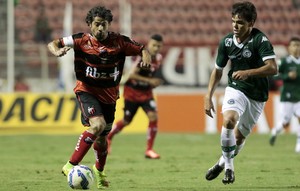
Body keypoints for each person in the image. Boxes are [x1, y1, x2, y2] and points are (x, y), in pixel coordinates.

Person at [47, 6, 151, 189]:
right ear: (90, 25)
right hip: (86, 91)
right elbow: (53, 43)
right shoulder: (80, 40)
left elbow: (143, 49)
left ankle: (99, 171)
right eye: (97, 24)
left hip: (109, 97)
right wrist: (56, 52)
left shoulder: (120, 42)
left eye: (104, 24)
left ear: (109, 24)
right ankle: (70, 165)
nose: (100, 28)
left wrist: (146, 56)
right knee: (98, 125)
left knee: (102, 139)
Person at [204, 1, 277, 184]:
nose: (235, 26)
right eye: (233, 21)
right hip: (236, 88)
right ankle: (230, 169)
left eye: (241, 23)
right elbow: (218, 70)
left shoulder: (260, 40)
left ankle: (221, 163)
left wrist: (248, 72)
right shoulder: (227, 42)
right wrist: (208, 96)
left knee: (238, 138)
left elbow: (272, 68)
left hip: (257, 96)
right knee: (229, 120)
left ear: (251, 24)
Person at [107, 34, 164, 159]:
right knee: (127, 121)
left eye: (158, 46)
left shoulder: (159, 58)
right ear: (149, 44)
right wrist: (150, 81)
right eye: (154, 45)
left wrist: (152, 82)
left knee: (153, 116)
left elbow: (149, 75)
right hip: (132, 93)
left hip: (146, 93)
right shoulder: (141, 58)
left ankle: (149, 150)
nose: (156, 48)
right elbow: (131, 75)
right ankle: (108, 137)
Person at [269, 37, 300, 153]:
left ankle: (298, 145)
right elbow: (274, 76)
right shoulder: (284, 62)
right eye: (294, 45)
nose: (296, 48)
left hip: (299, 97)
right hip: (287, 97)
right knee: (285, 122)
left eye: (298, 45)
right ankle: (275, 131)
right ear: (289, 48)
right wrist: (287, 76)